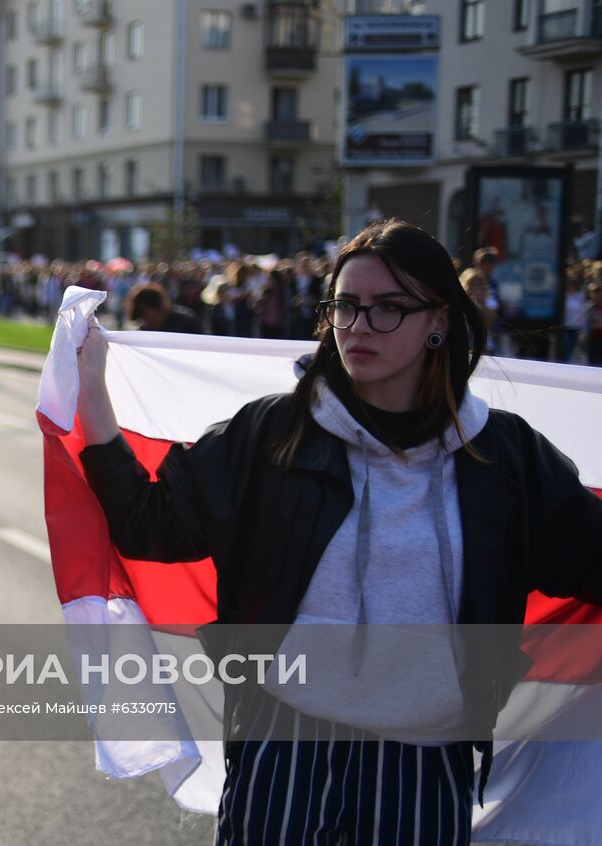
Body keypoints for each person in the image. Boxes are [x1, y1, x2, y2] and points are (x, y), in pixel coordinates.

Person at [75, 219, 601, 845]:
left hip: (427, 761)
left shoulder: (503, 455)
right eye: (345, 306)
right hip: (283, 747)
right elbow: (148, 525)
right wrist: (90, 386)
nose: (358, 326)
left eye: (387, 308)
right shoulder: (274, 434)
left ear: (438, 320)